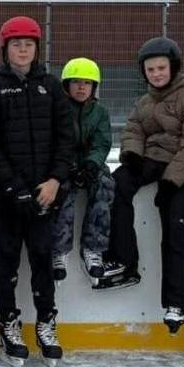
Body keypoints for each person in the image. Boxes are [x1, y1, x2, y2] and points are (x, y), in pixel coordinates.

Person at [0, 16, 75, 367]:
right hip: (6, 198)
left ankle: (46, 323)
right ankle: (9, 325)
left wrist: (54, 181)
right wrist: (13, 189)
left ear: (37, 48)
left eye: (28, 44)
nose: (22, 49)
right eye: (16, 43)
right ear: (5, 49)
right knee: (5, 265)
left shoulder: (51, 86)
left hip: (44, 196)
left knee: (42, 264)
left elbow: (67, 140)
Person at [106, 37, 184, 331]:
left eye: (161, 68)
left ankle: (176, 303)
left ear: (173, 67)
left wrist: (172, 182)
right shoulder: (145, 100)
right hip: (151, 160)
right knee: (116, 186)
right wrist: (133, 156)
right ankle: (124, 260)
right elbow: (133, 129)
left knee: (176, 225)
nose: (156, 74)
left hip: (183, 169)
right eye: (150, 70)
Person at [51, 57, 117, 289]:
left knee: (105, 186)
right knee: (62, 192)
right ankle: (59, 251)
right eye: (76, 82)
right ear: (67, 85)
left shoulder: (99, 112)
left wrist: (91, 165)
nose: (81, 87)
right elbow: (58, 140)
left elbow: (102, 141)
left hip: (90, 164)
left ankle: (93, 248)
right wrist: (67, 166)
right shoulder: (58, 109)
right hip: (64, 164)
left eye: (87, 83)